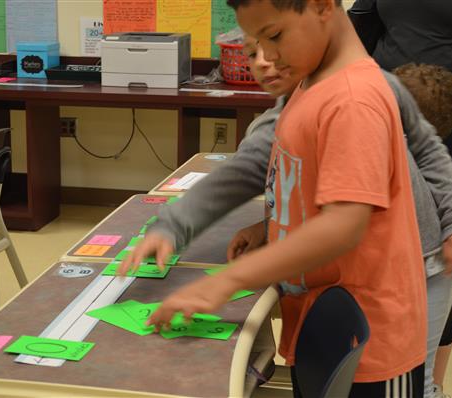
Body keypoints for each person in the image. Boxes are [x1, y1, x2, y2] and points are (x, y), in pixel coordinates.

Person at [123, 0, 430, 395]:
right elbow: (303, 182)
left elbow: (344, 225)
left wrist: (226, 282)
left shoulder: (353, 99)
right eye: (255, 45)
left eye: (275, 36)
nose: (265, 58)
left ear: (321, 6)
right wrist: (271, 227)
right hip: (319, 318)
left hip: (370, 344)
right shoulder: (310, 83)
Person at [349, 3, 452, 395]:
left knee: (435, 249)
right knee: (377, 242)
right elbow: (359, 30)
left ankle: (428, 384)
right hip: (385, 109)